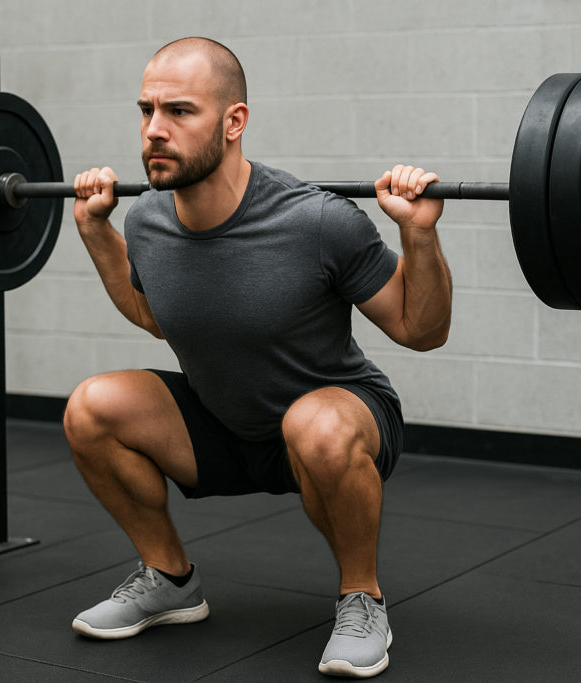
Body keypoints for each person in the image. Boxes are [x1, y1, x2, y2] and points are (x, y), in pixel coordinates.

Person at [63, 36, 452, 678]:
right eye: (145, 110)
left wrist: (420, 232)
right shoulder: (147, 220)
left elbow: (421, 330)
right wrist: (95, 233)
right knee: (92, 408)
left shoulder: (319, 221)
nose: (154, 131)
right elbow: (155, 319)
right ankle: (169, 580)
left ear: (234, 121)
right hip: (223, 420)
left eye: (180, 112)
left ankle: (363, 598)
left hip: (335, 419)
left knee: (315, 425)